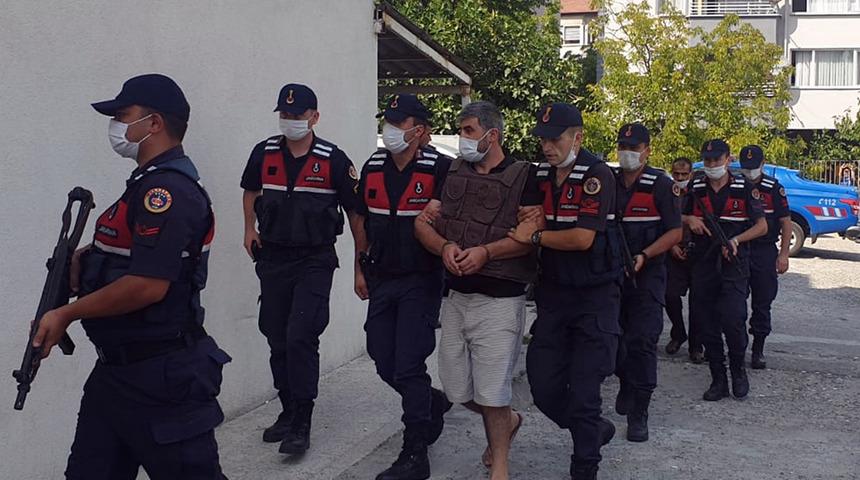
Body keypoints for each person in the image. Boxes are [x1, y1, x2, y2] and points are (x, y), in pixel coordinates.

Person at [32, 73, 229, 479]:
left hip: (163, 379)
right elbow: (133, 252)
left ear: (154, 123)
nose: (115, 125)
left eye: (123, 115)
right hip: (117, 376)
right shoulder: (144, 184)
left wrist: (66, 314)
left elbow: (148, 285)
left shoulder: (167, 192)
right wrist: (88, 259)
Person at [415, 101, 539, 480]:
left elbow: (530, 237)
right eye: (462, 130)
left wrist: (487, 252)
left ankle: (500, 465)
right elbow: (423, 223)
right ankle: (510, 422)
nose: (462, 138)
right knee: (456, 389)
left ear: (492, 135)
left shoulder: (525, 176)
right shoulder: (451, 171)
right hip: (456, 297)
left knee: (493, 390)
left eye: (469, 130)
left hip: (501, 299)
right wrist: (444, 247)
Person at [240, 83, 360, 455]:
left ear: (314, 117)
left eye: (297, 114)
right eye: (285, 114)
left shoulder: (333, 159)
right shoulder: (264, 152)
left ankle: (302, 422)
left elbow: (356, 214)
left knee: (301, 336)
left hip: (314, 260)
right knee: (275, 335)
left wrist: (361, 263)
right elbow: (250, 190)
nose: (290, 120)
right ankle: (288, 409)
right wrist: (248, 229)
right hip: (273, 257)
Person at [509, 103, 622, 480]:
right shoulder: (539, 173)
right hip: (554, 296)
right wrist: (533, 226)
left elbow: (581, 238)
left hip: (594, 298)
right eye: (543, 139)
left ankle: (584, 467)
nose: (547, 146)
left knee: (586, 392)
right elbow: (525, 215)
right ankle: (592, 430)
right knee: (543, 386)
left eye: (555, 139)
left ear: (577, 138)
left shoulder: (596, 174)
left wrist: (536, 236)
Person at [353, 94, 453, 480]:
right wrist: (359, 269)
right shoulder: (373, 166)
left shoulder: (440, 169)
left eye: (399, 123)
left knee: (409, 364)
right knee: (382, 358)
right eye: (389, 122)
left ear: (419, 130)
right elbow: (360, 219)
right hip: (381, 278)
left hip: (421, 279)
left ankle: (415, 452)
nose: (390, 129)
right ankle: (430, 402)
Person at [612, 123, 682, 442]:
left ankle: (639, 412)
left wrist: (645, 254)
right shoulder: (608, 182)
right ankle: (625, 380)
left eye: (634, 147)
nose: (627, 152)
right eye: (623, 146)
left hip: (648, 275)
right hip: (612, 276)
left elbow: (675, 232)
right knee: (613, 339)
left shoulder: (661, 185)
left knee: (642, 341)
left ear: (647, 151)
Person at [683, 139, 767, 402]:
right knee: (707, 323)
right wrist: (689, 219)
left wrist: (736, 240)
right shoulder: (695, 187)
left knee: (733, 319)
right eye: (707, 160)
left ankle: (738, 370)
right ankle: (717, 378)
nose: (712, 165)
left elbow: (762, 226)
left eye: (717, 160)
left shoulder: (744, 188)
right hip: (703, 264)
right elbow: (674, 214)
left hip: (734, 264)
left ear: (728, 160)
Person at [738, 145, 791, 369]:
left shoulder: (773, 188)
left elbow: (786, 222)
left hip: (764, 251)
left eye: (753, 167)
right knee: (734, 302)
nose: (749, 171)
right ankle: (737, 346)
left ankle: (758, 350)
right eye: (746, 167)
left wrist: (784, 254)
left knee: (762, 302)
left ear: (762, 164)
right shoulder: (735, 186)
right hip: (740, 249)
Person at [664, 157, 704, 364]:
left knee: (698, 302)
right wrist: (671, 245)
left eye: (684, 174)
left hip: (697, 252)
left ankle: (696, 346)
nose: (679, 178)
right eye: (676, 174)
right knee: (670, 296)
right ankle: (678, 333)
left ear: (691, 174)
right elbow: (662, 219)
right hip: (673, 249)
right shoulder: (666, 192)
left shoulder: (698, 193)